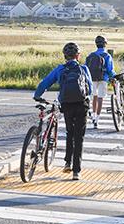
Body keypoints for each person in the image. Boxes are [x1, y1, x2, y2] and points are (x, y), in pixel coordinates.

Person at [34, 42, 92, 180]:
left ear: (65, 56)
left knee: (69, 133)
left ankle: (67, 162)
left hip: (66, 104)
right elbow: (90, 88)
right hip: (81, 104)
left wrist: (37, 95)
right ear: (78, 56)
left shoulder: (60, 69)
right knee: (79, 137)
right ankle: (76, 171)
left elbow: (45, 82)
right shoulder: (83, 68)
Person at [85, 35, 116, 129]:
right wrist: (113, 77)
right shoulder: (107, 55)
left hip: (92, 78)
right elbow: (110, 70)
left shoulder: (91, 55)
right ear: (105, 44)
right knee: (100, 98)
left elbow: (86, 67)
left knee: (94, 96)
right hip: (103, 79)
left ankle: (93, 115)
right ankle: (97, 120)